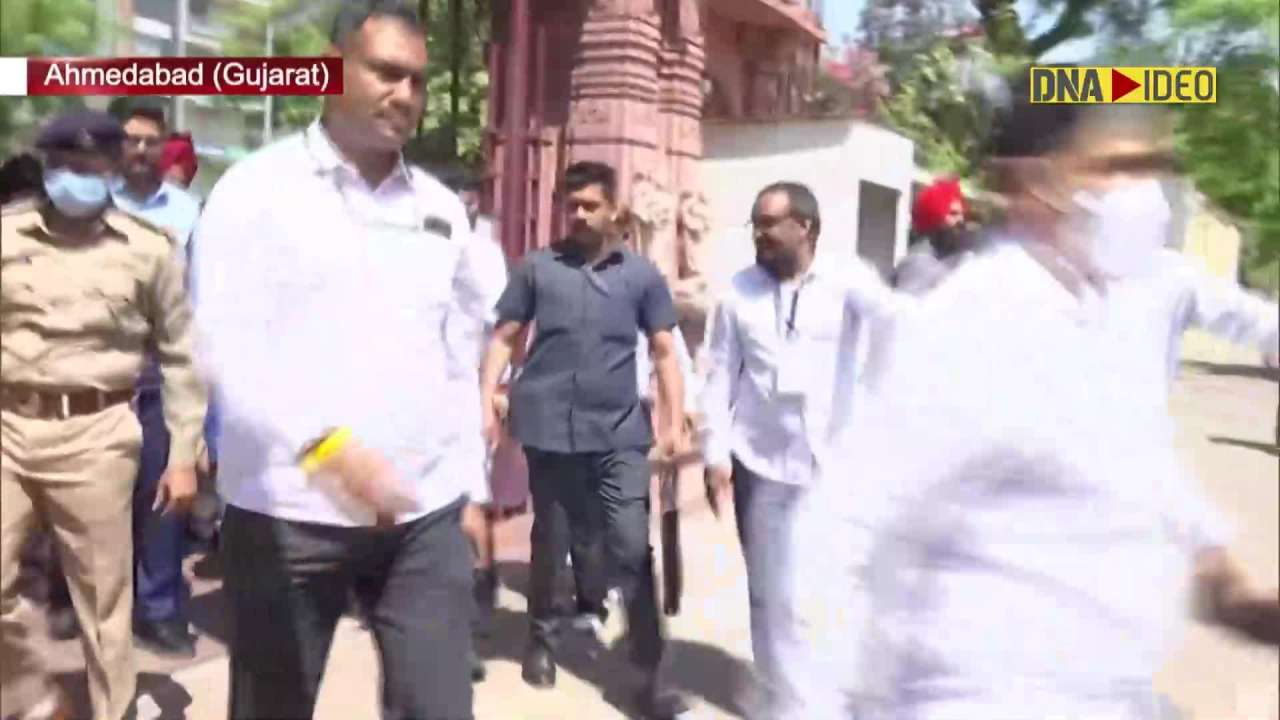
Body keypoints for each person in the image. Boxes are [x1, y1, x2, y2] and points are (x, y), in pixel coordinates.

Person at [795, 82, 1280, 720]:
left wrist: (1248, 606)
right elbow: (838, 539)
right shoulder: (969, 323)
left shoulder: (1105, 316)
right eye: (1117, 168)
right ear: (1035, 184)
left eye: (1150, 170)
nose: (1145, 194)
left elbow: (1171, 520)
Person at [191, 3, 489, 718]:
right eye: (386, 72)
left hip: (420, 519)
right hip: (287, 516)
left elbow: (459, 355)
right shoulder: (255, 193)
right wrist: (328, 451)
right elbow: (222, 346)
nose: (406, 95)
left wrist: (470, 487)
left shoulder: (441, 210)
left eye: (417, 80)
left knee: (440, 708)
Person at [1, 111, 206, 720]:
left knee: (103, 608)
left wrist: (184, 454)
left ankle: (112, 711)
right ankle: (31, 695)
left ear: (113, 169)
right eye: (61, 165)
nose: (73, 178)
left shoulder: (149, 251)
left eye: (88, 166)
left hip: (98, 438)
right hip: (8, 429)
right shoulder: (6, 238)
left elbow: (181, 358)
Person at [479, 160, 690, 718]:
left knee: (629, 544)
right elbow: (504, 337)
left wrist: (673, 421)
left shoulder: (641, 276)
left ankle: (647, 667)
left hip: (619, 431)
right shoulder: (536, 269)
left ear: (614, 210)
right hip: (549, 426)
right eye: (570, 205)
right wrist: (485, 401)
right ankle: (542, 641)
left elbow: (665, 351)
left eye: (589, 205)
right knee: (551, 537)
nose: (577, 214)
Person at [698, 182, 905, 719]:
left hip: (832, 467)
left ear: (805, 228)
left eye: (769, 224)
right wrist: (715, 453)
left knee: (829, 594)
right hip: (760, 466)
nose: (760, 235)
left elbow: (898, 327)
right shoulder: (736, 294)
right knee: (769, 597)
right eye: (756, 225)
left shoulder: (846, 280)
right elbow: (718, 376)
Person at [106, 99, 205, 658]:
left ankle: (160, 607)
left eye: (151, 140)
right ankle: (90, 607)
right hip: (97, 377)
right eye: (130, 139)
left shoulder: (189, 214)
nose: (141, 150)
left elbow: (201, 303)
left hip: (161, 378)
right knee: (95, 503)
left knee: (166, 498)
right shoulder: (86, 208)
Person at [443, 169, 508, 682]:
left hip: (465, 393)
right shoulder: (406, 243)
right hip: (405, 398)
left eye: (470, 198)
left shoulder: (485, 255)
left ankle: (473, 607)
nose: (463, 205)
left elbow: (504, 330)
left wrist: (495, 391)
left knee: (467, 505)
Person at [893, 178, 978, 294]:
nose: (961, 220)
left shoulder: (955, 258)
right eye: (953, 214)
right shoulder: (918, 262)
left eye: (962, 214)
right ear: (932, 217)